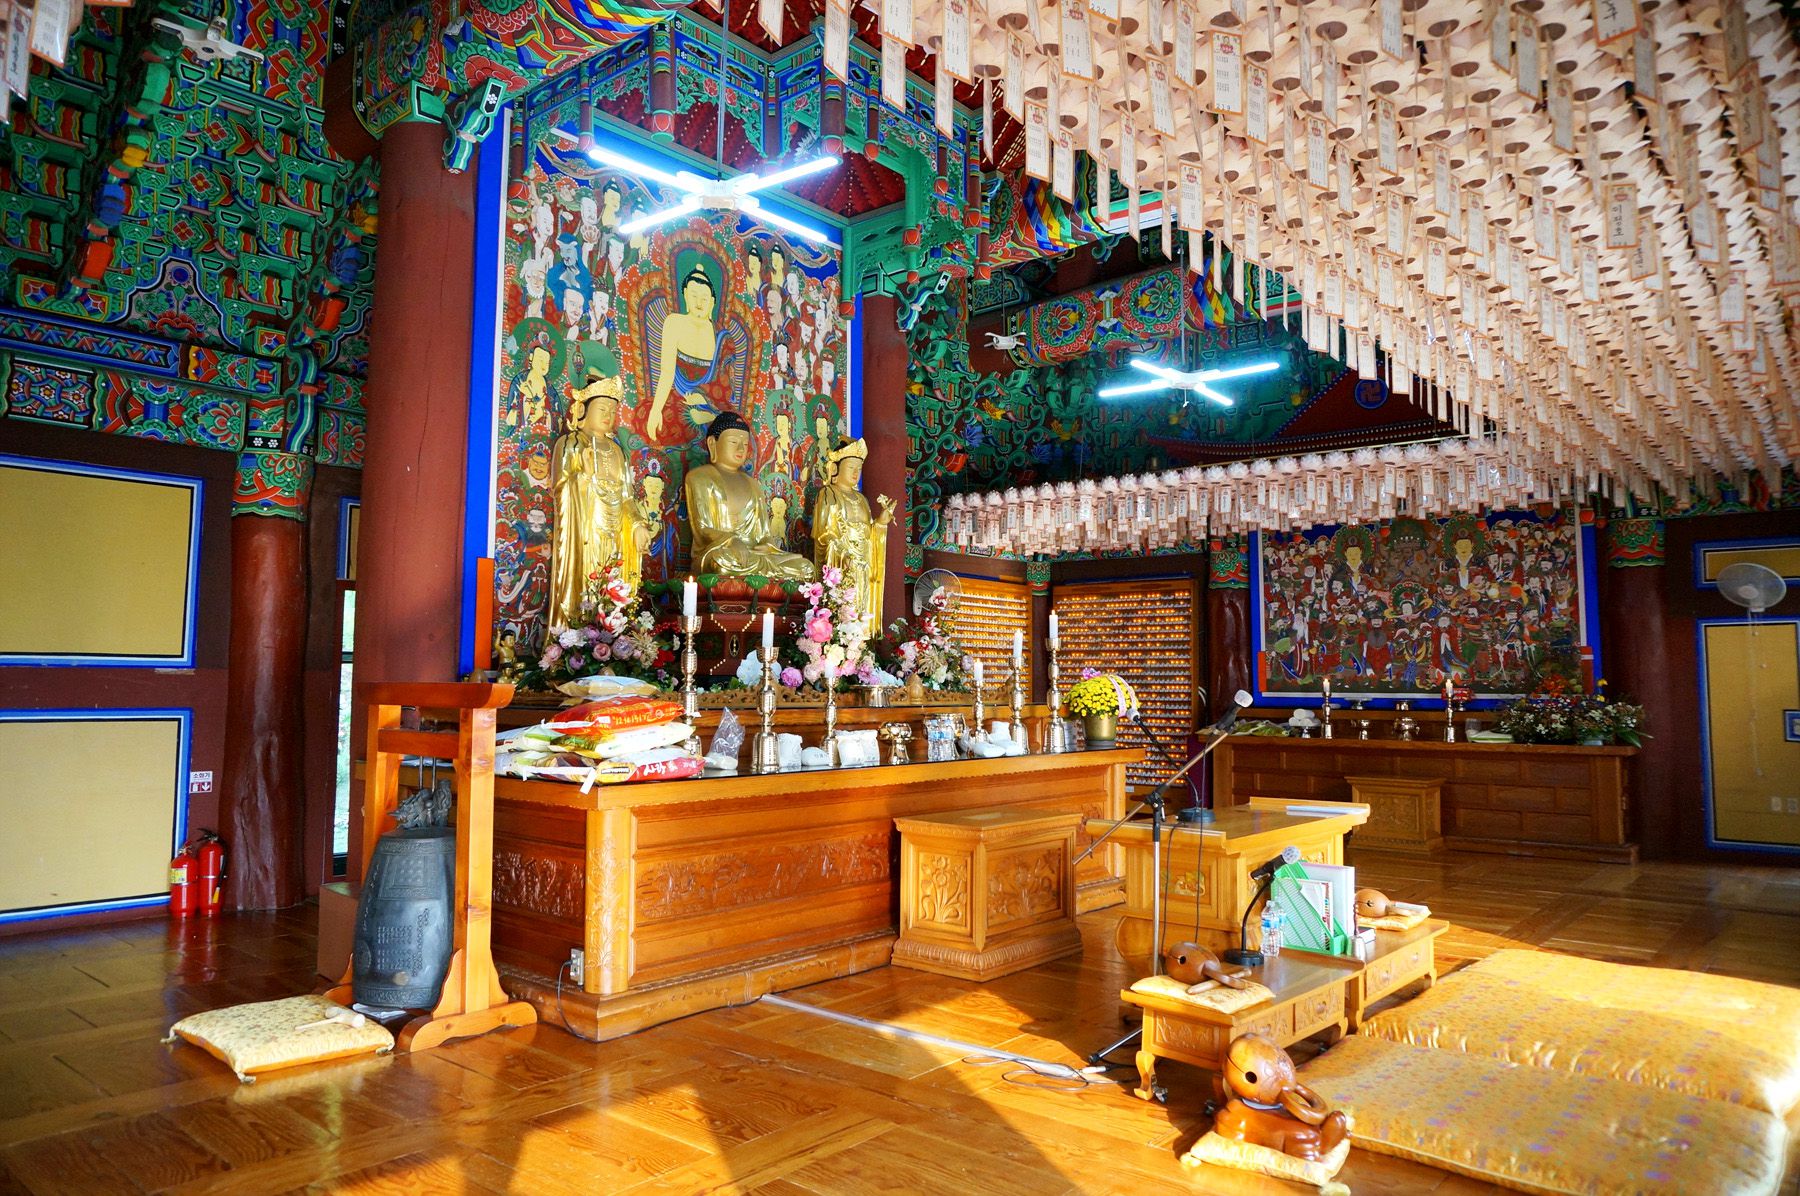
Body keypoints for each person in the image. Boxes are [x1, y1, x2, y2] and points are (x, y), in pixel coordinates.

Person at [548, 371, 655, 626]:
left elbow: (627, 497)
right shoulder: (571, 443)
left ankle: (613, 630)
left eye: (613, 411)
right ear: (583, 410)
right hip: (585, 531)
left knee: (614, 585)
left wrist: (638, 525)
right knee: (587, 582)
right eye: (602, 409)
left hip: (616, 531)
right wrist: (583, 477)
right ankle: (578, 632)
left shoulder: (618, 451)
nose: (609, 416)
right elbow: (560, 489)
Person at [683, 412, 816, 582]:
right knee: (722, 563)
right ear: (712, 443)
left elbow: (764, 534)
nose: (741, 449)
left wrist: (767, 545)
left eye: (745, 444)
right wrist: (731, 540)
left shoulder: (752, 484)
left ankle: (758, 576)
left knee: (806, 567)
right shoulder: (699, 477)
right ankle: (759, 577)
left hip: (755, 557)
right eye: (733, 442)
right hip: (721, 553)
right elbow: (702, 529)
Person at [812, 439, 894, 628]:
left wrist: (880, 523)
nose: (856, 473)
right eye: (851, 468)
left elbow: (869, 534)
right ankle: (839, 635)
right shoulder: (828, 493)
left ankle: (862, 639)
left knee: (861, 607)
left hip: (863, 563)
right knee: (843, 607)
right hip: (842, 562)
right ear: (835, 469)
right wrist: (842, 553)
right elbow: (824, 534)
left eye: (859, 469)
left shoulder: (862, 499)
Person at [646, 260, 732, 440]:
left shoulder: (722, 337)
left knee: (732, 427)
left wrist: (702, 398)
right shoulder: (674, 322)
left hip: (709, 402)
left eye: (704, 298)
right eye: (694, 295)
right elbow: (667, 372)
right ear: (685, 295)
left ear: (712, 303)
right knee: (664, 425)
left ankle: (708, 416)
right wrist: (656, 410)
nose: (699, 302)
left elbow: (724, 385)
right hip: (680, 397)